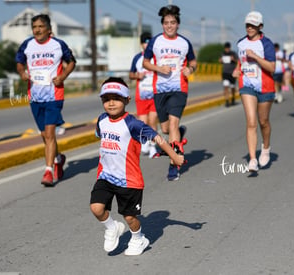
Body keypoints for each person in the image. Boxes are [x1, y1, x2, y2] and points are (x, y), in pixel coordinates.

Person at [90, 77, 184, 256]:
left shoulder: (133, 124)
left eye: (116, 98)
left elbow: (157, 138)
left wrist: (174, 156)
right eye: (106, 99)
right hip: (105, 176)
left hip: (129, 180)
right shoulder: (102, 119)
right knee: (96, 208)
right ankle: (112, 228)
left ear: (127, 100)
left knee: (130, 218)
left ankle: (138, 238)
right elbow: (100, 135)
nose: (111, 103)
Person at [15, 14, 76, 186]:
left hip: (53, 95)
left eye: (41, 27)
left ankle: (48, 172)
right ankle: (58, 158)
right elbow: (19, 62)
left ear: (49, 29)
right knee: (44, 135)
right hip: (35, 95)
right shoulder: (27, 45)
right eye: (34, 27)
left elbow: (71, 62)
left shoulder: (58, 44)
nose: (37, 30)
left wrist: (63, 76)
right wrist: (22, 73)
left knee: (49, 134)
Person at [142, 4, 197, 181]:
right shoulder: (155, 41)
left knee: (172, 126)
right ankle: (178, 133)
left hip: (179, 88)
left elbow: (193, 62)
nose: (169, 26)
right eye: (166, 23)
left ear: (177, 24)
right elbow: (145, 62)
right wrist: (158, 68)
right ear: (162, 24)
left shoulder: (184, 43)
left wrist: (190, 69)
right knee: (165, 128)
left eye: (173, 22)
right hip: (160, 90)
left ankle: (174, 166)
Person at [232, 11, 276, 172]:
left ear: (260, 26)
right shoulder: (241, 43)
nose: (250, 28)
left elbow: (272, 67)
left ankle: (266, 148)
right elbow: (240, 62)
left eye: (253, 25)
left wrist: (256, 57)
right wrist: (237, 71)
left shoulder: (267, 44)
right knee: (251, 121)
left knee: (263, 122)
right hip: (247, 85)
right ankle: (252, 159)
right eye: (247, 25)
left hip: (265, 86)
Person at [129, 32, 158, 158]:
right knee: (143, 123)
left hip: (154, 95)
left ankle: (153, 146)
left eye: (149, 42)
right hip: (141, 96)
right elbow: (130, 74)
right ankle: (146, 142)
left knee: (152, 121)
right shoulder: (137, 58)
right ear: (141, 44)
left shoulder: (156, 58)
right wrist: (137, 75)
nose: (147, 45)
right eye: (145, 42)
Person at [219, 42, 238, 107]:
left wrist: (233, 59)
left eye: (228, 48)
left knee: (232, 87)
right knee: (226, 86)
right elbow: (220, 61)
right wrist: (221, 60)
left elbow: (237, 61)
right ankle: (227, 101)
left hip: (232, 73)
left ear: (229, 48)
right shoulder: (222, 54)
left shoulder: (233, 53)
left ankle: (233, 99)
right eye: (226, 48)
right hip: (225, 73)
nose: (227, 49)